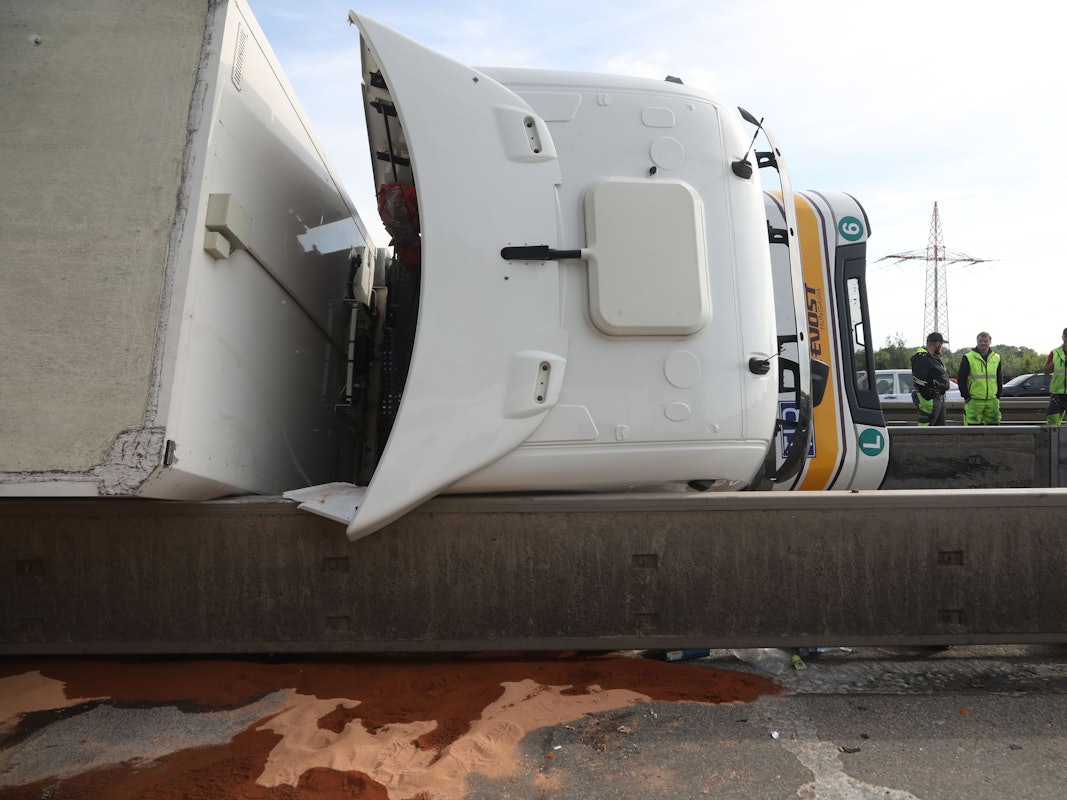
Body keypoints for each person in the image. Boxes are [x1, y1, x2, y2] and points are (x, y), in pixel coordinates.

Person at [957, 331, 1002, 425]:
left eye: (985, 341)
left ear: (990, 342)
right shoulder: (968, 357)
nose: (983, 343)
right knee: (971, 426)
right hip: (974, 399)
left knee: (994, 426)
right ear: (977, 341)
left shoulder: (996, 357)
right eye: (980, 341)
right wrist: (966, 396)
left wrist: (998, 395)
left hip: (992, 400)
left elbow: (999, 377)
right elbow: (961, 378)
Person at [910, 332, 951, 426]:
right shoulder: (922, 357)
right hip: (929, 399)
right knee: (927, 428)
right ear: (937, 344)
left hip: (938, 397)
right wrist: (928, 395)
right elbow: (919, 379)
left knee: (939, 429)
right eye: (941, 344)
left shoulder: (933, 358)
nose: (941, 347)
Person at [1041, 328, 1067, 425]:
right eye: (1066, 336)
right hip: (1057, 394)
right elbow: (1045, 371)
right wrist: (1054, 363)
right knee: (1052, 422)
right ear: (1063, 337)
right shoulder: (1055, 353)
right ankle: (1054, 441)